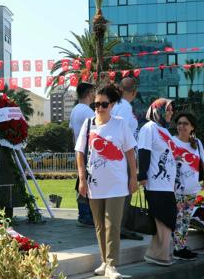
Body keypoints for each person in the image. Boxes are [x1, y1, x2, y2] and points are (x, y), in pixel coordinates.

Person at [76, 84, 138, 279]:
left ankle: (112, 265)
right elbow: (79, 152)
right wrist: (82, 180)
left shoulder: (120, 124)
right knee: (99, 225)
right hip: (95, 184)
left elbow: (130, 152)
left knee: (113, 224)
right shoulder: (88, 124)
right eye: (96, 104)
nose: (99, 108)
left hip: (117, 184)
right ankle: (104, 261)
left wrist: (133, 177)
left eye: (104, 104)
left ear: (112, 105)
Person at [137, 98, 177, 266]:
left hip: (167, 184)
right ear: (157, 110)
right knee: (164, 218)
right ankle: (159, 255)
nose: (171, 113)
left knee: (168, 217)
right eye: (167, 109)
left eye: (171, 110)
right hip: (155, 182)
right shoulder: (149, 128)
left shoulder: (165, 130)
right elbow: (144, 152)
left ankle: (159, 252)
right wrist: (142, 175)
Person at [172, 113, 204, 260]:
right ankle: (178, 249)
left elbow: (203, 162)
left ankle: (181, 246)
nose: (182, 126)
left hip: (192, 188)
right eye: (179, 123)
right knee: (178, 219)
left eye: (185, 123)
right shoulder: (172, 141)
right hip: (176, 189)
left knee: (186, 220)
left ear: (192, 127)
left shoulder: (197, 143)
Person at [111, 77, 143, 241]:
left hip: (120, 155)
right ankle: (119, 228)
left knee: (122, 193)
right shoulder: (123, 106)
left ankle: (118, 227)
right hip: (123, 155)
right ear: (134, 91)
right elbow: (121, 132)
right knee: (125, 192)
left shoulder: (118, 105)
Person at [69, 82, 95, 226]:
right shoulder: (88, 111)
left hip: (79, 150)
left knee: (82, 180)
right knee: (87, 183)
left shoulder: (75, 110)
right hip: (87, 151)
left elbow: (73, 134)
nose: (94, 95)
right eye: (93, 92)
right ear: (88, 93)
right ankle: (86, 214)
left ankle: (84, 213)